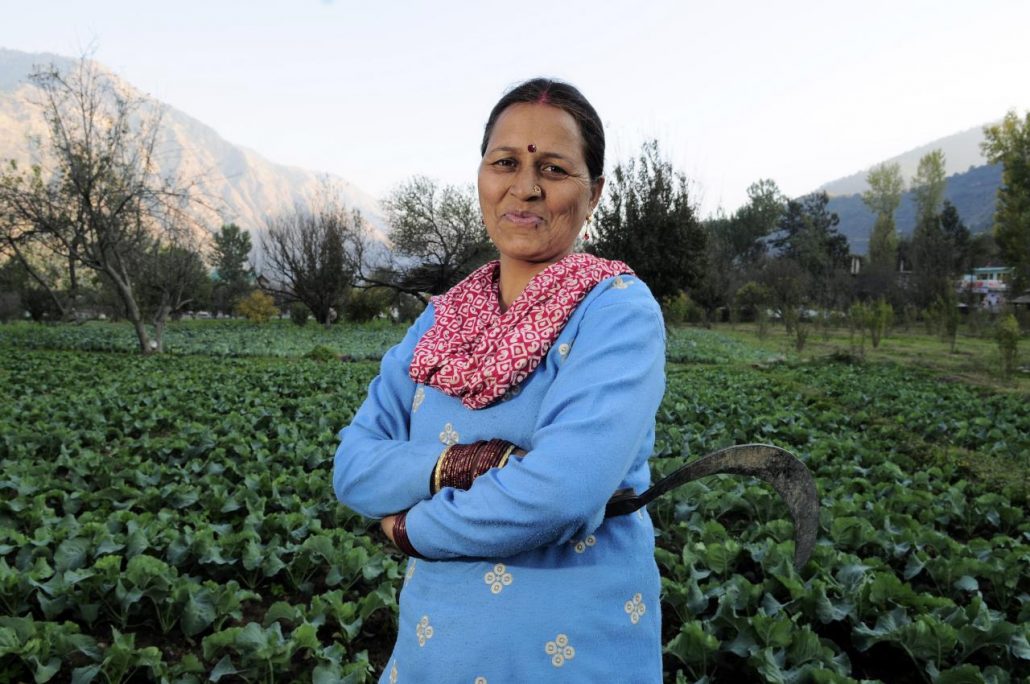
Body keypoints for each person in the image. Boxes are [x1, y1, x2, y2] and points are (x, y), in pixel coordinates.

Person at [333, 78, 666, 683]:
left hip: (574, 656)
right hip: (432, 654)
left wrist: (410, 526)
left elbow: (561, 495)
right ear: (482, 177)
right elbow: (354, 466)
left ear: (593, 192)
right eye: (505, 162)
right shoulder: (438, 321)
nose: (526, 187)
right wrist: (459, 464)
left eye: (555, 168)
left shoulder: (616, 311)